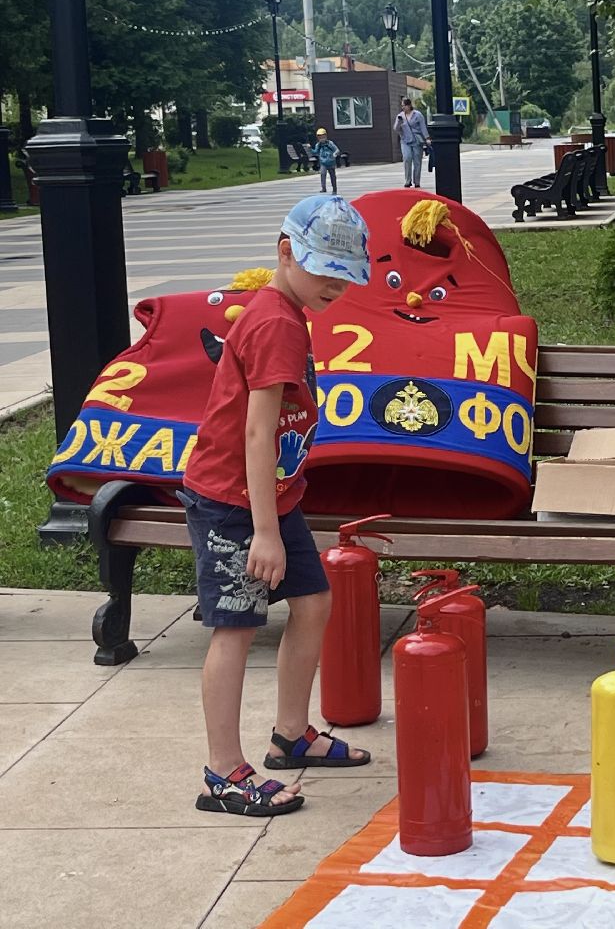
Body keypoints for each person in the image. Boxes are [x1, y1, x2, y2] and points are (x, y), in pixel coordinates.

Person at [181, 194, 375, 816]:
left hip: (271, 499)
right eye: (324, 273)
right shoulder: (273, 324)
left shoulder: (285, 312)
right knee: (235, 627)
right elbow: (257, 433)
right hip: (234, 506)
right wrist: (263, 530)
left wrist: (275, 514)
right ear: (286, 252)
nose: (334, 288)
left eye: (344, 277)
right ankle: (222, 772)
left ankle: (292, 735)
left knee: (313, 600)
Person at [394, 98, 429, 189]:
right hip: (405, 141)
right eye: (402, 106)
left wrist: (427, 138)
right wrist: (399, 122)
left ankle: (417, 181)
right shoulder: (400, 116)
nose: (403, 108)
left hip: (417, 141)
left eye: (404, 105)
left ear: (409, 105)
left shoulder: (418, 115)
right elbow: (396, 129)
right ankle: (407, 181)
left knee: (417, 161)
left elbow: (423, 127)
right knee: (407, 158)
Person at [313, 127, 342, 194]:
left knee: (332, 176)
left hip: (331, 162)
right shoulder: (318, 145)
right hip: (323, 162)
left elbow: (337, 150)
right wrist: (310, 149)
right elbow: (315, 152)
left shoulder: (330, 143)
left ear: (326, 136)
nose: (322, 139)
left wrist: (335, 154)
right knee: (323, 174)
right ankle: (323, 188)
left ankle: (334, 189)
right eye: (320, 138)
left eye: (323, 137)